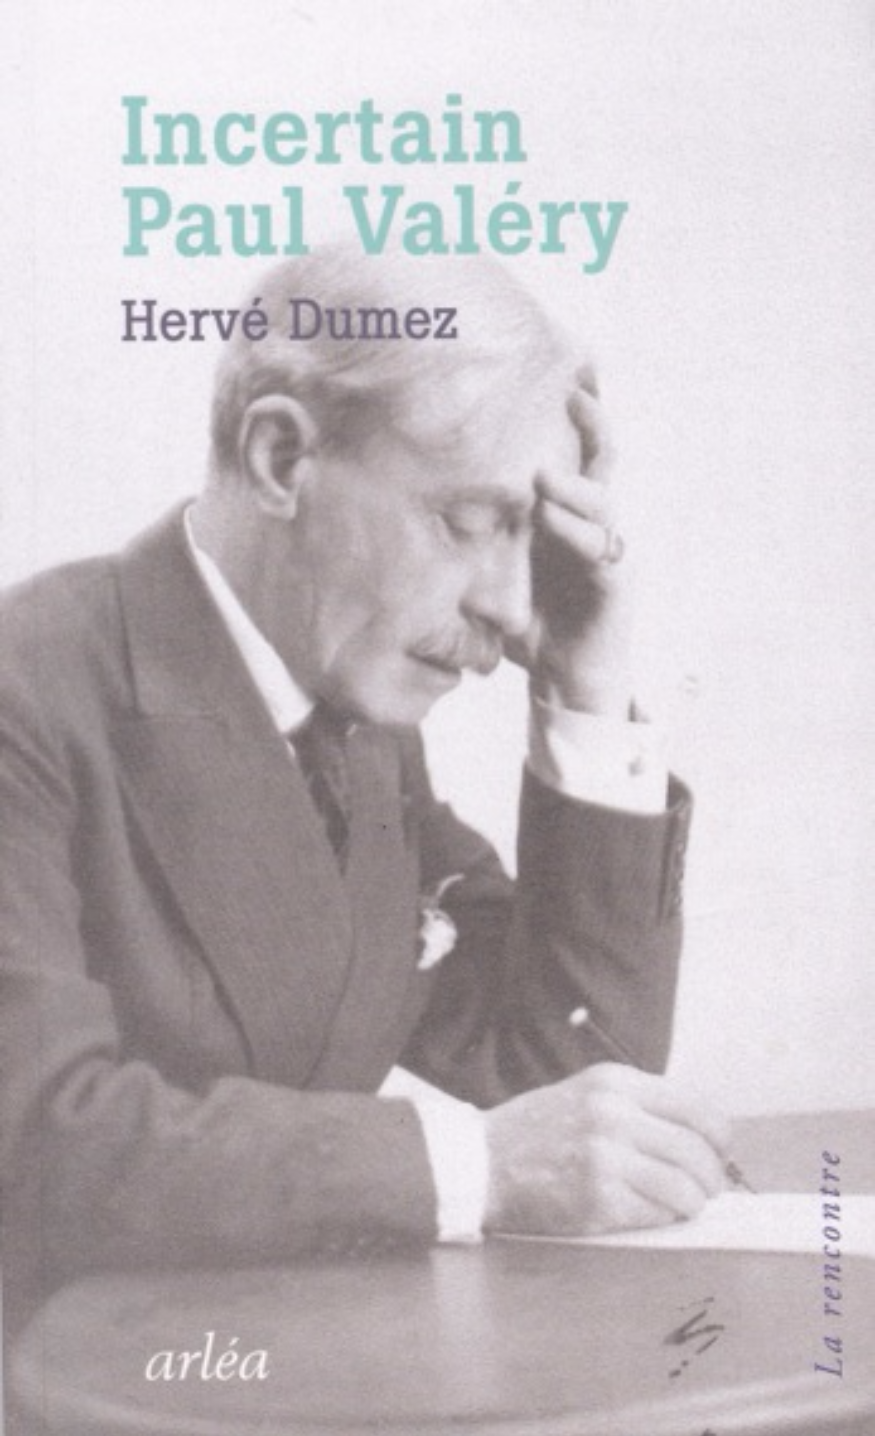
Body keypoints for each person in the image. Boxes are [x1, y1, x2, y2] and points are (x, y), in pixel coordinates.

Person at [0, 247, 727, 1317]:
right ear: (281, 457)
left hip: (282, 1358)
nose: (509, 607)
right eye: (469, 522)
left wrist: (585, 688)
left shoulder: (355, 725)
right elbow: (34, 1141)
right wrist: (472, 1165)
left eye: (533, 541)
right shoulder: (30, 691)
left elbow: (559, 1062)